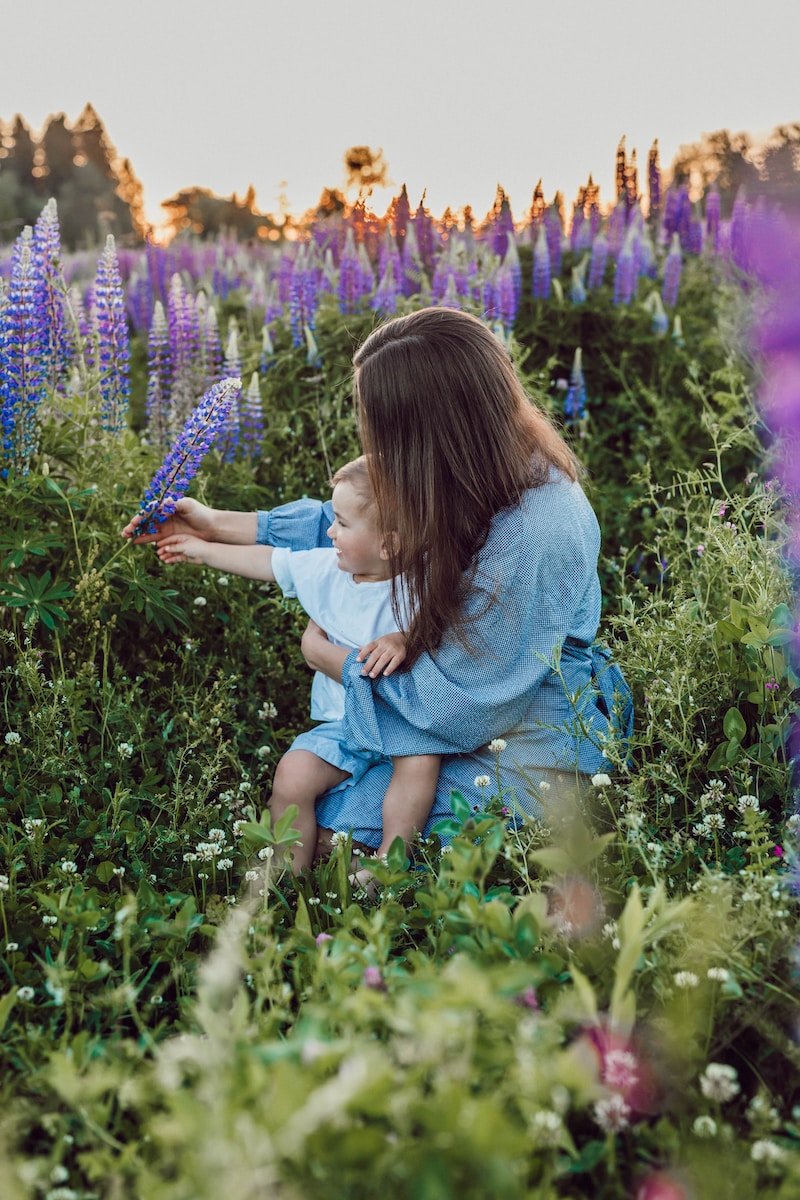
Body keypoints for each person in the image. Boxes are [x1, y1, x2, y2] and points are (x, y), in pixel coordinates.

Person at [124, 306, 632, 862]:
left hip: (523, 728)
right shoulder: (477, 468)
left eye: (385, 430)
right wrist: (216, 523)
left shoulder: (534, 529)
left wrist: (332, 660)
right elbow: (365, 522)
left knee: (341, 836)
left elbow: (460, 708)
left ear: (432, 431)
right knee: (316, 809)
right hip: (449, 706)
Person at [148, 455, 440, 875]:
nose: (329, 531)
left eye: (341, 522)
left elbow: (450, 627)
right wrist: (200, 550)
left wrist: (406, 638)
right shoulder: (327, 571)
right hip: (342, 724)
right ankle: (286, 879)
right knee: (293, 774)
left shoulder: (423, 583)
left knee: (420, 764)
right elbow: (268, 562)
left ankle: (388, 864)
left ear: (389, 544)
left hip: (401, 721)